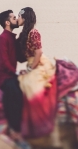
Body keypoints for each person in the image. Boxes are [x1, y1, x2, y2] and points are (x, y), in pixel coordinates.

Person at [16, 7, 58, 138]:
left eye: (20, 16)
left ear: (25, 18)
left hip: (39, 64)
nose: (18, 19)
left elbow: (38, 52)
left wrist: (31, 68)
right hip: (32, 64)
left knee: (31, 86)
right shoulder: (24, 33)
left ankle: (42, 123)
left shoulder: (33, 32)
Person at [0, 10, 29, 149]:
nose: (16, 19)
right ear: (7, 22)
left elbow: (20, 58)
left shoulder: (12, 38)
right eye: (14, 18)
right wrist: (14, 73)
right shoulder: (3, 38)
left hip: (11, 74)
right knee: (16, 94)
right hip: (4, 76)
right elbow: (3, 62)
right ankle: (15, 133)